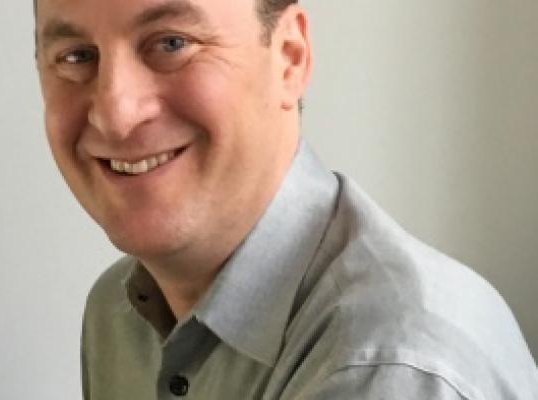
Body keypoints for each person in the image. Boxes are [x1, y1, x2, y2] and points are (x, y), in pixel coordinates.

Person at [33, 0, 538, 398]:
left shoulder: (385, 369)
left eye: (172, 43)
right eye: (76, 56)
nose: (116, 115)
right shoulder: (116, 314)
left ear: (289, 59)